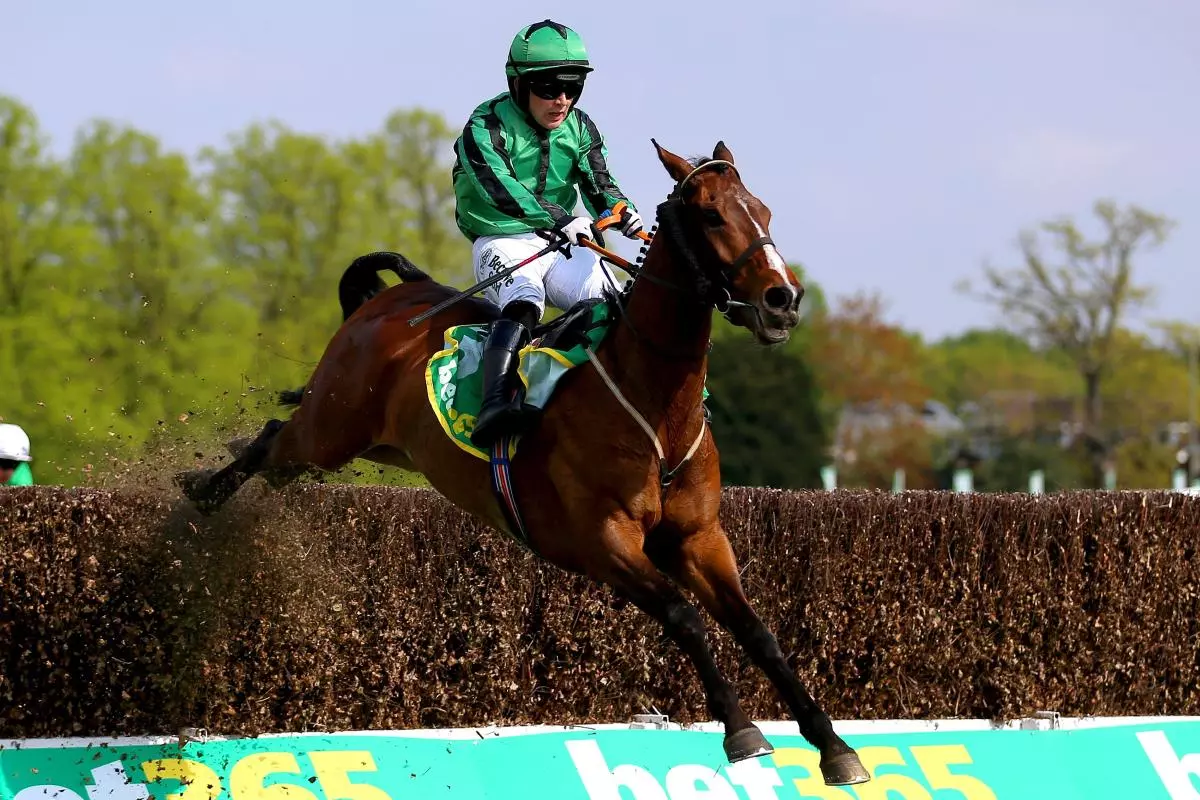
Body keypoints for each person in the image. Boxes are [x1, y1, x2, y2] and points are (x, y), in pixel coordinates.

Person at [452, 19, 644, 448]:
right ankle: (494, 405)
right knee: (524, 303)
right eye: (548, 88)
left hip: (561, 242)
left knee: (617, 305)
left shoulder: (581, 126)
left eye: (572, 88)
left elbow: (600, 183)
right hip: (501, 239)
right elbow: (500, 189)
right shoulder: (484, 126)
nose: (561, 101)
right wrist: (559, 217)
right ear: (518, 84)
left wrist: (621, 211)